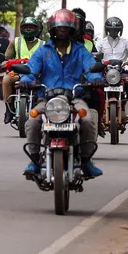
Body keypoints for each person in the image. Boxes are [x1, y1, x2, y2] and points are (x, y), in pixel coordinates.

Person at [20, 9, 104, 178]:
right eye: (59, 28)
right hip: (48, 98)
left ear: (72, 29)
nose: (62, 30)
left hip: (74, 98)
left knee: (87, 120)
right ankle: (35, 159)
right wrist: (26, 79)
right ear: (53, 30)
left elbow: (91, 67)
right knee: (32, 121)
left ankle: (86, 160)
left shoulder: (80, 51)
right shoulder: (44, 51)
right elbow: (31, 68)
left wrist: (95, 78)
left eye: (66, 27)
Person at [94, 16, 128, 124]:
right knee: (95, 86)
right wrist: (94, 58)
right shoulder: (101, 42)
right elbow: (95, 52)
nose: (113, 31)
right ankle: (97, 112)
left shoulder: (125, 42)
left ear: (120, 30)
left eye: (116, 30)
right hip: (105, 72)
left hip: (121, 72)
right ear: (107, 30)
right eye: (111, 29)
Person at [2, 17, 42, 122]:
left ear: (36, 29)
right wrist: (5, 63)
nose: (28, 29)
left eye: (31, 27)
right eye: (26, 27)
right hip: (18, 72)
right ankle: (9, 109)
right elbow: (7, 58)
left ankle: (43, 109)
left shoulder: (43, 44)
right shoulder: (15, 42)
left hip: (36, 75)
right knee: (6, 80)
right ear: (21, 28)